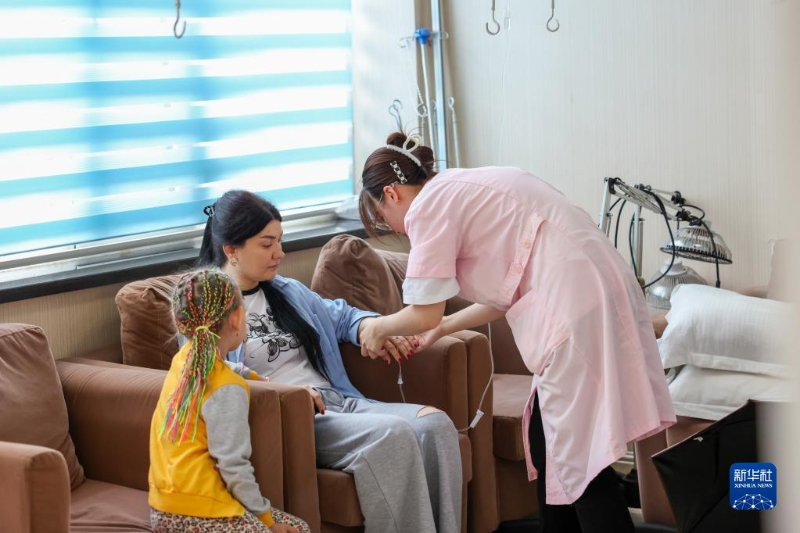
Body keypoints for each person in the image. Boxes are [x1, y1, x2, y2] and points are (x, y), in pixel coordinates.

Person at [356, 132, 677, 533]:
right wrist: (442, 328)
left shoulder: (428, 208)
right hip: (597, 292)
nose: (393, 227)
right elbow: (504, 291)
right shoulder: (464, 186)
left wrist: (377, 326)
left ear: (391, 193)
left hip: (572, 308)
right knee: (546, 441)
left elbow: (424, 311)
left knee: (579, 463)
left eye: (381, 217)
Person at [196, 190, 462, 533]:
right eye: (267, 244)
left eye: (280, 241)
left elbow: (341, 316)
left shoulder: (287, 290)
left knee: (437, 425)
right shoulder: (205, 304)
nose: (280, 253)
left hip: (339, 401)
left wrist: (372, 327)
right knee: (392, 434)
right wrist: (282, 393)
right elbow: (206, 369)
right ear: (230, 249)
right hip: (295, 418)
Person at [148, 269, 309, 533]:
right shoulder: (227, 388)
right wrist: (267, 521)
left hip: (163, 507)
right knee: (295, 529)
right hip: (203, 513)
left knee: (295, 526)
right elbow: (234, 466)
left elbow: (217, 366)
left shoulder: (184, 361)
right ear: (236, 318)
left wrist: (247, 374)